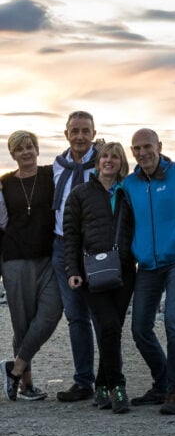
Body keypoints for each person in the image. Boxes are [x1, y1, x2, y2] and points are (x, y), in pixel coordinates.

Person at [123, 128, 175, 415]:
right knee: (139, 329)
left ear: (159, 146)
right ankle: (161, 383)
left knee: (173, 320)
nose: (142, 152)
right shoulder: (130, 184)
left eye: (147, 146)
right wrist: (136, 249)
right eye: (136, 148)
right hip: (147, 264)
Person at [63, 142, 136, 414]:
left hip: (125, 271)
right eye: (105, 155)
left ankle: (102, 385)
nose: (109, 160)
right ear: (97, 161)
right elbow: (71, 236)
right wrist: (72, 272)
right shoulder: (79, 194)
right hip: (91, 272)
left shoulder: (128, 193)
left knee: (112, 328)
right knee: (107, 325)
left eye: (115, 157)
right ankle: (118, 386)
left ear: (121, 162)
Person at [0, 130, 62, 402]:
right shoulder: (4, 183)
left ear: (37, 149)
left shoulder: (51, 175)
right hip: (14, 260)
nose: (25, 152)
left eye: (29, 147)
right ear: (12, 154)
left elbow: (77, 163)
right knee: (22, 324)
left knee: (51, 313)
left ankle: (14, 369)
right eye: (19, 149)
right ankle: (26, 385)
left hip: (47, 258)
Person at [51, 110, 99, 402]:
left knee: (102, 315)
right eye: (75, 131)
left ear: (94, 134)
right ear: (66, 134)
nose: (80, 136)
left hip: (96, 249)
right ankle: (83, 382)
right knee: (75, 317)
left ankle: (108, 380)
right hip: (61, 247)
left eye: (85, 131)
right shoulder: (56, 167)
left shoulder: (106, 162)